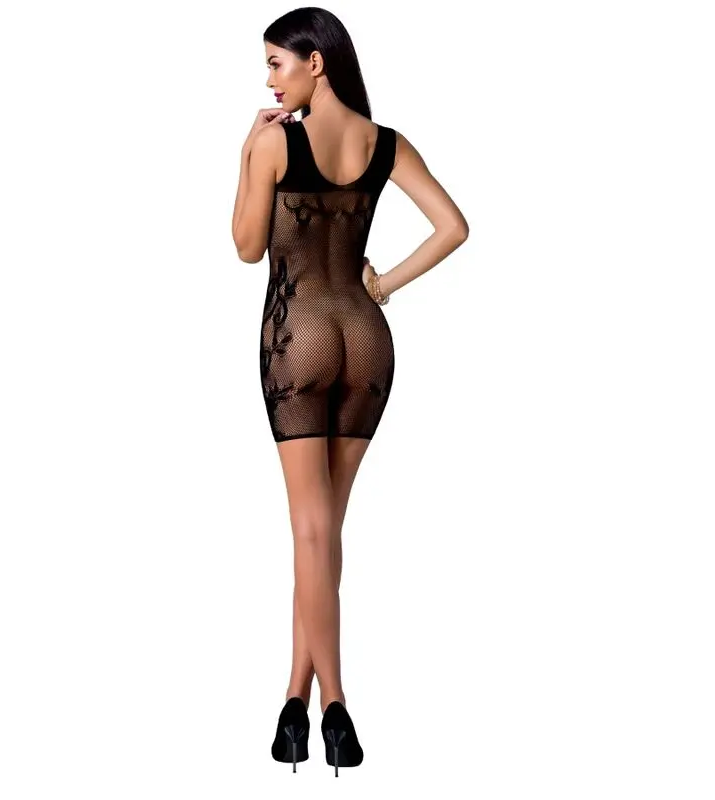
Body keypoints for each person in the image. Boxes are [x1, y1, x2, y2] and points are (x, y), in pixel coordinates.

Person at [231, 7, 469, 776]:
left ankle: (333, 704)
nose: (269, 80)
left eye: (276, 63)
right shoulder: (384, 143)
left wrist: (246, 153)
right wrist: (384, 284)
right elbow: (453, 226)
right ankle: (292, 701)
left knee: (309, 531)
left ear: (316, 63)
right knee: (326, 531)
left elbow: (246, 248)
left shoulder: (275, 141)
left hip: (297, 337)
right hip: (366, 340)